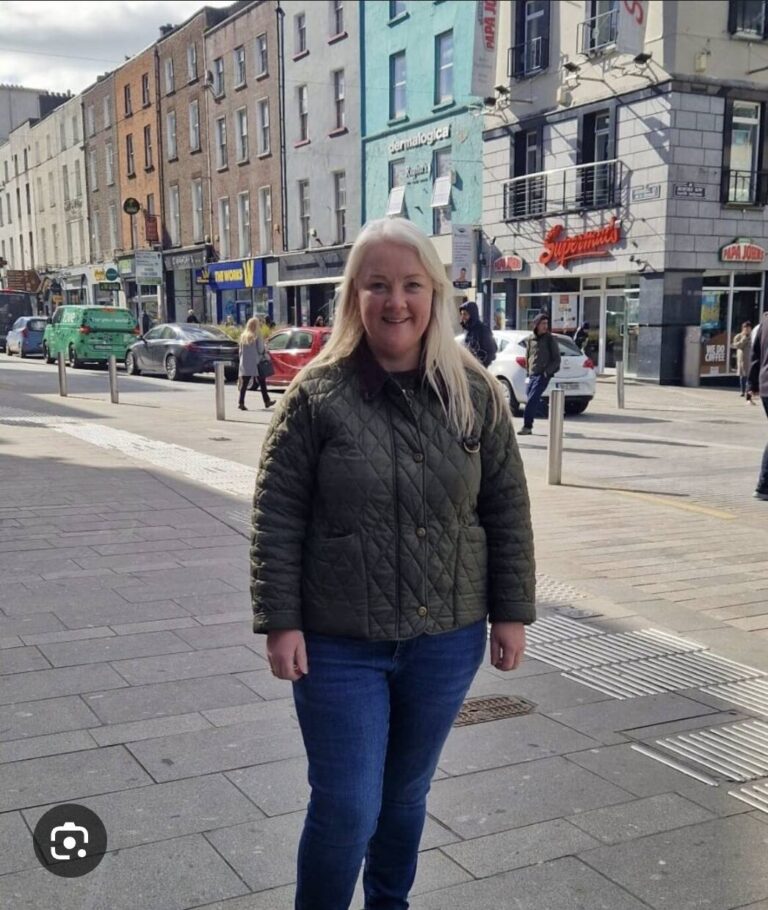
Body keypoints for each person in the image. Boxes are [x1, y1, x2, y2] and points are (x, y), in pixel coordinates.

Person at [250, 217, 535, 910]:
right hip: (338, 644)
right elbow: (277, 516)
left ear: (435, 294)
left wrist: (512, 612)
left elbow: (505, 507)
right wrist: (279, 622)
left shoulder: (473, 393)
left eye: (411, 285)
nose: (395, 301)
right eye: (377, 285)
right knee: (347, 804)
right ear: (354, 296)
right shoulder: (314, 399)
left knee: (406, 796)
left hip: (446, 638)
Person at [519, 312, 561, 436]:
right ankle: (548, 411)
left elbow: (557, 359)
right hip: (532, 374)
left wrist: (547, 372)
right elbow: (528, 356)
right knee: (530, 397)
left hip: (542, 375)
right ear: (536, 324)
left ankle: (527, 426)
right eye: (542, 323)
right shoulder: (531, 339)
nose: (545, 326)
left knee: (532, 400)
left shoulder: (550, 339)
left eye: (546, 323)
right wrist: (527, 371)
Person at [747, 313, 768, 500]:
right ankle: (763, 486)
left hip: (765, 385)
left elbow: (754, 355)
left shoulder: (763, 324)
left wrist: (752, 385)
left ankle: (763, 487)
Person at [238, 316, 274, 411]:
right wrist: (265, 350)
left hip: (245, 363)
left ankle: (241, 402)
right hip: (256, 362)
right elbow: (260, 349)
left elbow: (240, 351)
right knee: (262, 381)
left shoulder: (243, 335)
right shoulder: (257, 335)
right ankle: (267, 401)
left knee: (245, 383)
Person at [459, 299, 497, 367]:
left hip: (479, 370)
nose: (462, 317)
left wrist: (482, 365)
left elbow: (492, 350)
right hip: (467, 368)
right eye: (461, 314)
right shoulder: (467, 330)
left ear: (472, 315)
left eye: (465, 314)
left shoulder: (483, 329)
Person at [732, 321, 753, 397]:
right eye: (745, 328)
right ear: (742, 328)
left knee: (750, 377)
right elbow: (736, 346)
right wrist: (744, 339)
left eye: (748, 328)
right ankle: (742, 391)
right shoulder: (739, 336)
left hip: (751, 359)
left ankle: (749, 392)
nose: (747, 330)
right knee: (742, 376)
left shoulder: (754, 336)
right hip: (742, 359)